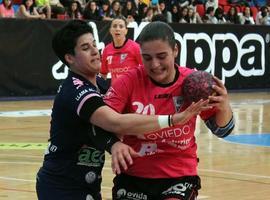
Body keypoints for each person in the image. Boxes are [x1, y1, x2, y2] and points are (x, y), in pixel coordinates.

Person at [35, 20, 210, 200]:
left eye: (95, 44)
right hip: (60, 185)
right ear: (70, 58)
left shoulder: (103, 87)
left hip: (88, 183)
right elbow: (114, 122)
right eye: (86, 48)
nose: (95, 51)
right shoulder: (75, 89)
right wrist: (172, 120)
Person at [104, 21, 235, 200]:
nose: (155, 64)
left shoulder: (193, 83)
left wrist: (224, 105)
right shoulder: (129, 81)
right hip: (133, 175)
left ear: (175, 50)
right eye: (147, 58)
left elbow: (223, 130)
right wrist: (113, 144)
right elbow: (101, 122)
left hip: (179, 176)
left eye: (161, 56)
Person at [100, 16, 142, 84]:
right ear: (110, 30)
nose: (117, 29)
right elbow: (103, 74)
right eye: (114, 26)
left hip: (133, 91)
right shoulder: (107, 50)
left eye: (121, 26)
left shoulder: (135, 47)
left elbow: (147, 68)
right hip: (116, 92)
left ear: (126, 31)